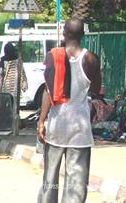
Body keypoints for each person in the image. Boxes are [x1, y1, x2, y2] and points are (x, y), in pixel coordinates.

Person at [37, 18, 101, 203]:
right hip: (80, 130)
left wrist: (41, 120)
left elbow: (48, 92)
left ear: (64, 33)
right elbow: (96, 89)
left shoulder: (52, 56)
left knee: (50, 180)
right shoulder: (91, 59)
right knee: (76, 183)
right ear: (82, 35)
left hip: (56, 127)